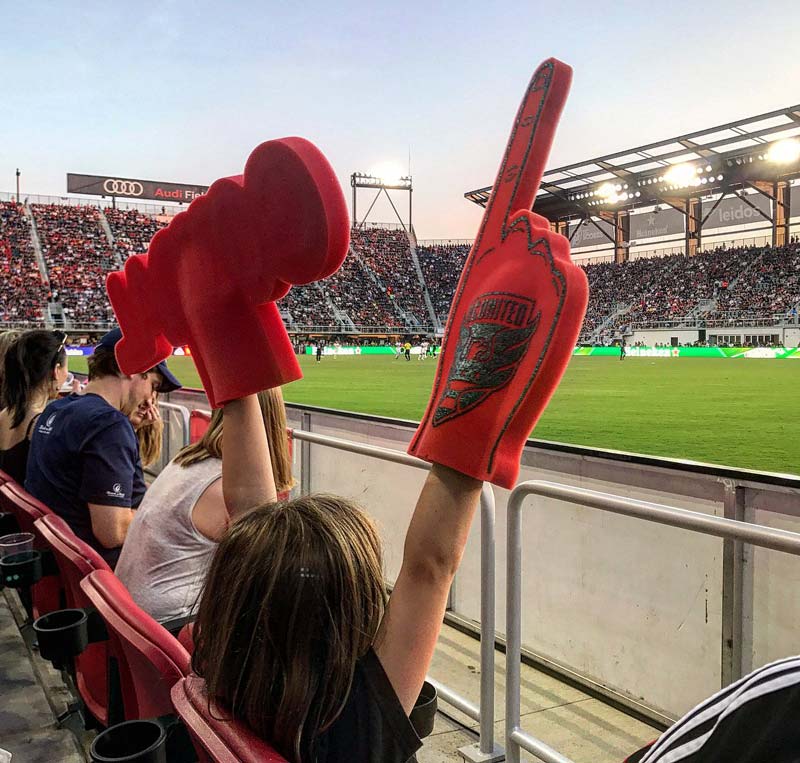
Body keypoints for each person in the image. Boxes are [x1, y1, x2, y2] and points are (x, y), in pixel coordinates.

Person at [191, 403, 482, 762]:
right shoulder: (357, 721)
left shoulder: (225, 666)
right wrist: (483, 396)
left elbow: (248, 517)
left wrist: (235, 374)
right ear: (353, 608)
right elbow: (429, 568)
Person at [116, 388, 293, 624]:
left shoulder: (187, 461)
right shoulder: (225, 487)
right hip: (168, 627)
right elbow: (261, 572)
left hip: (136, 618)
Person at [25, 328, 181, 567]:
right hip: (102, 574)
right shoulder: (108, 426)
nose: (151, 398)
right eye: (154, 385)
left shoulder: (56, 409)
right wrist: (169, 510)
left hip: (63, 565)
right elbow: (113, 532)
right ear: (129, 369)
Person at [0, 331, 69, 484]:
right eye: (66, 369)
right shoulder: (43, 427)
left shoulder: (4, 414)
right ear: (56, 371)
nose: (67, 374)